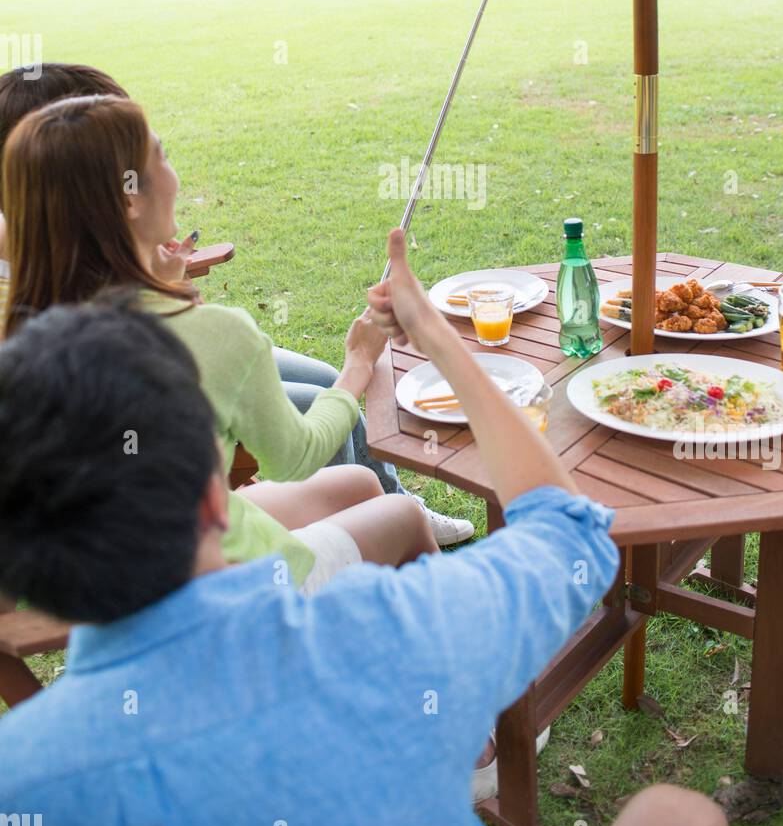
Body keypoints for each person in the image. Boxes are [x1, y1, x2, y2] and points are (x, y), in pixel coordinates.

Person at [0, 229, 728, 826]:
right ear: (217, 497)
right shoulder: (394, 630)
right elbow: (571, 534)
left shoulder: (23, 777)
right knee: (675, 816)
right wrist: (439, 339)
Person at [0, 63, 471, 544]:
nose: (174, 172)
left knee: (361, 479)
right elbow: (295, 456)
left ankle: (382, 505)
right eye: (157, 154)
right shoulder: (210, 332)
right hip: (200, 567)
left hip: (130, 557)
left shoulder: (31, 328)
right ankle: (331, 581)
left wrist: (156, 278)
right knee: (387, 503)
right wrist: (359, 360)